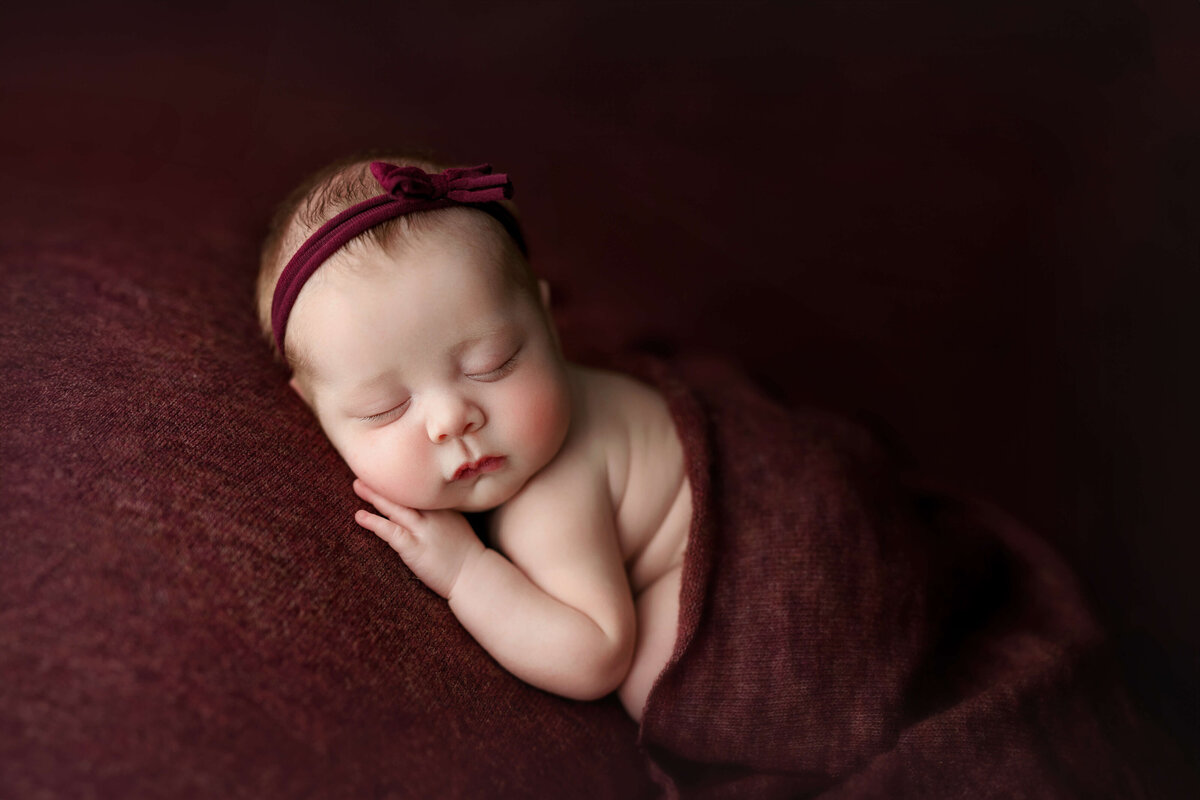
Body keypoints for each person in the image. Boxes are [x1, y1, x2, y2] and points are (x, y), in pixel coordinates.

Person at [255, 152, 692, 721]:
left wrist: (466, 572)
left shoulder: (551, 496)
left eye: (493, 364)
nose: (450, 421)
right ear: (311, 409)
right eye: (384, 408)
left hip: (713, 544)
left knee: (656, 690)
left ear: (547, 321)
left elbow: (596, 657)